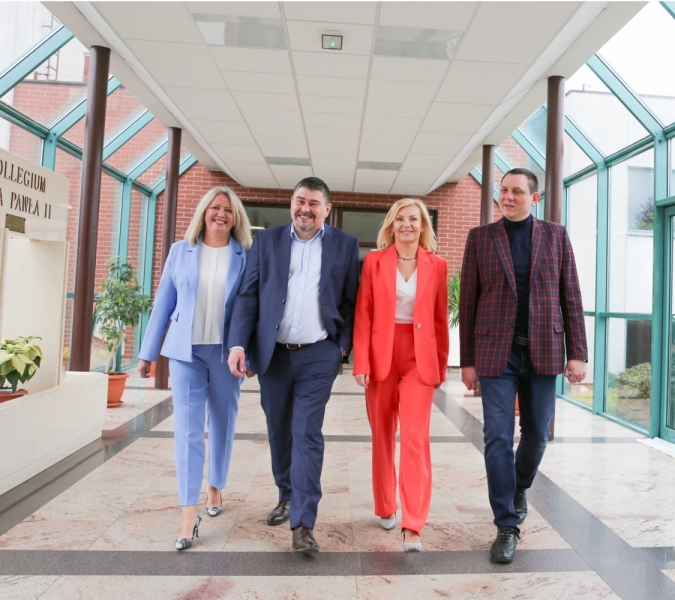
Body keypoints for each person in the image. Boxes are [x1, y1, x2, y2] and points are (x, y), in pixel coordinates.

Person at [459, 168, 587, 564]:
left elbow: (571, 295)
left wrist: (578, 352)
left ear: (534, 198)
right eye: (503, 191)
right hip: (496, 353)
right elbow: (468, 302)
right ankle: (506, 524)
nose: (507, 197)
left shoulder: (555, 236)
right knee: (497, 437)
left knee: (536, 434)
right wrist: (467, 360)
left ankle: (519, 484)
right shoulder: (481, 238)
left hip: (543, 351)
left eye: (516, 191)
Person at [227, 177, 360, 553]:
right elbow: (248, 295)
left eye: (314, 203)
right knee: (279, 430)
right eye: (300, 201)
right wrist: (239, 343)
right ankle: (286, 493)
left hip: (319, 353)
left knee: (307, 433)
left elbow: (351, 299)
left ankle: (303, 522)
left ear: (326, 209)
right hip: (274, 354)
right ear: (291, 203)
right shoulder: (266, 241)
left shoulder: (345, 246)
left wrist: (341, 348)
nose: (305, 208)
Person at [137, 186, 252, 550]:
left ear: (235, 218)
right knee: (187, 431)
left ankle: (215, 485)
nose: (221, 214)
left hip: (225, 354)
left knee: (222, 421)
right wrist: (147, 352)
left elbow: (251, 309)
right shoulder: (180, 251)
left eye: (228, 210)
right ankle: (188, 514)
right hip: (185, 353)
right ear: (204, 211)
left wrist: (250, 354)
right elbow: (163, 302)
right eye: (215, 208)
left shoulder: (245, 255)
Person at [353, 199, 449, 553]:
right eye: (400, 219)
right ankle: (385, 506)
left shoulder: (437, 265)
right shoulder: (375, 262)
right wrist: (361, 362)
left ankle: (413, 525)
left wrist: (440, 365)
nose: (407, 224)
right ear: (391, 226)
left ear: (423, 226)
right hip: (381, 354)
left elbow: (440, 321)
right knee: (382, 433)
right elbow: (363, 314)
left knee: (413, 438)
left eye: (414, 219)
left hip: (419, 358)